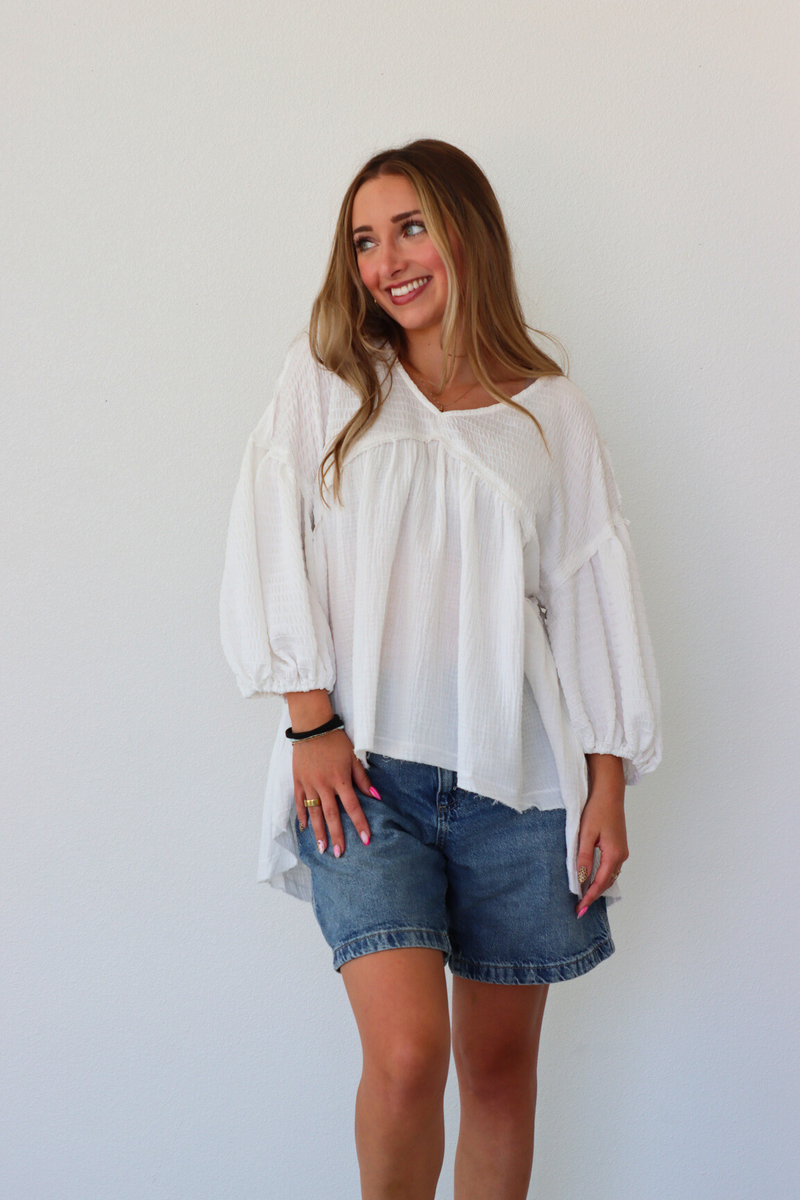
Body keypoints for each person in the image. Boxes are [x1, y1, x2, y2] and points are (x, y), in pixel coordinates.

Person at [220, 138, 661, 1200]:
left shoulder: (546, 408)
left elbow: (592, 600)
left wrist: (604, 783)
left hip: (523, 790)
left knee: (499, 1072)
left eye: (409, 227)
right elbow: (268, 542)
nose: (386, 260)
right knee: (409, 1055)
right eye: (364, 240)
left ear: (466, 234)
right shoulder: (326, 380)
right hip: (366, 783)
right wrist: (307, 720)